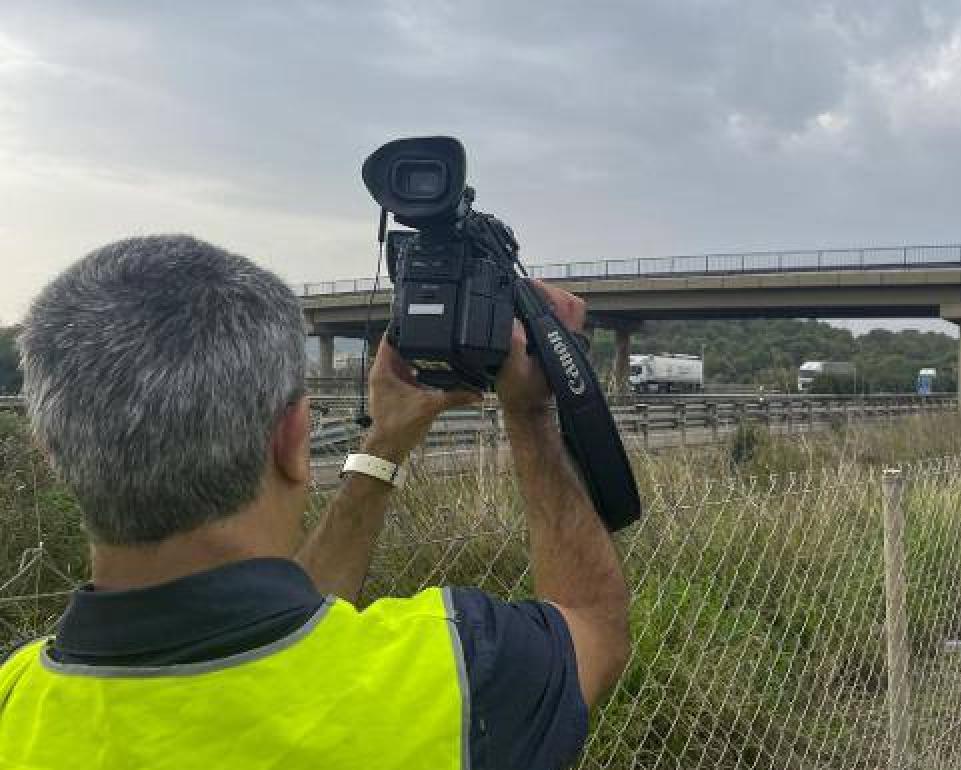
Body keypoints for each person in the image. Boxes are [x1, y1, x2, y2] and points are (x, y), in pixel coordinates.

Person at [0, 235, 630, 770]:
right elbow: (591, 623)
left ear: (52, 452)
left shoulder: (16, 699)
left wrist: (385, 443)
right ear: (296, 438)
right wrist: (530, 412)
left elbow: (286, 623)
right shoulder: (455, 677)